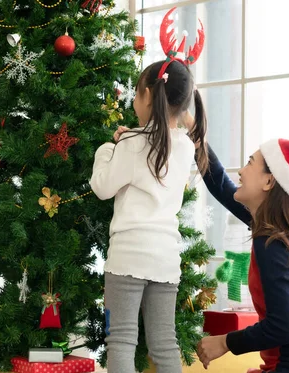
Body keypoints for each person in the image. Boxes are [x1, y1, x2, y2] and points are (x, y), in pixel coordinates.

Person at [89, 59, 209, 373]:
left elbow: (102, 187)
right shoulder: (184, 147)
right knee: (164, 343)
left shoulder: (130, 144)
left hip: (128, 259)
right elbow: (159, 143)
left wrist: (107, 149)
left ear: (146, 95)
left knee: (121, 341)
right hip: (165, 261)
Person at [194, 137, 289, 373]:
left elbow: (284, 326)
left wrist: (225, 342)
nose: (242, 171)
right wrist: (196, 133)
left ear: (269, 180)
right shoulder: (281, 231)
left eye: (250, 163)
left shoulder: (271, 241)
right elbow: (222, 186)